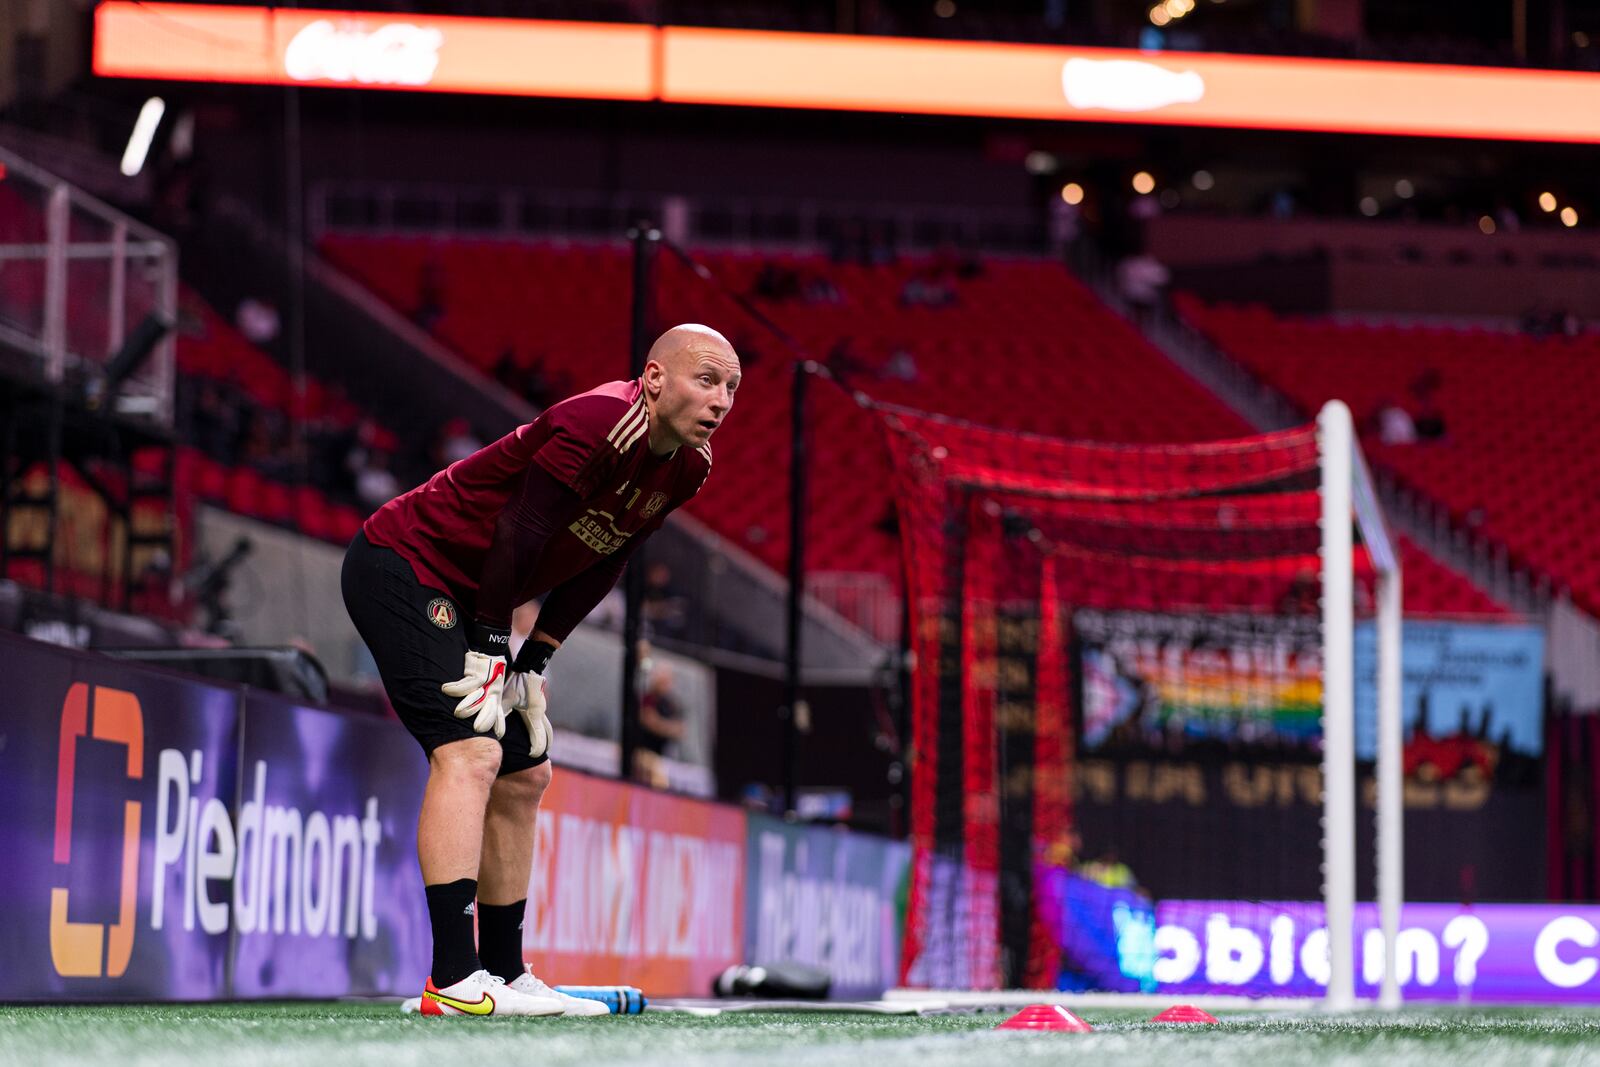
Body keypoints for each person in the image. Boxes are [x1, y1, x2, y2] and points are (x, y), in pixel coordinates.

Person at [340, 324, 739, 1017]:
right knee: (470, 749)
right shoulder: (599, 423)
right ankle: (453, 980)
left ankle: (504, 969)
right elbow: (516, 534)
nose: (722, 399)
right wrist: (494, 646)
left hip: (476, 592)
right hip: (405, 563)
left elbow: (606, 554)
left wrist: (536, 660)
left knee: (527, 770)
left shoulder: (689, 466)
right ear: (653, 379)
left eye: (732, 387)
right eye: (707, 379)